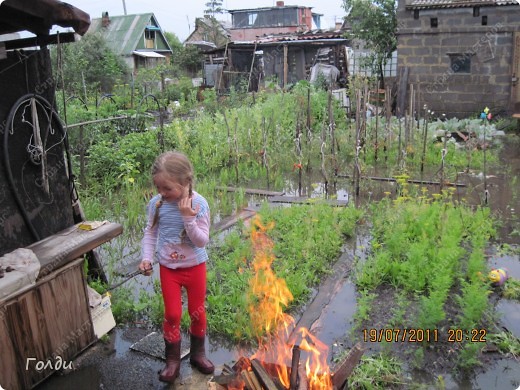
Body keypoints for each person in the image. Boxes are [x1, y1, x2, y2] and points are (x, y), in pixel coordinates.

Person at [139, 151, 214, 383]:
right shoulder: (157, 204)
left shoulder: (199, 204)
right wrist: (146, 257)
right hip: (169, 269)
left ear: (186, 182)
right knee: (172, 314)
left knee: (196, 312)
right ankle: (172, 361)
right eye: (158, 187)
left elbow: (201, 240)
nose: (161, 193)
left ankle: (198, 354)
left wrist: (187, 218)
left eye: (167, 188)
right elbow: (150, 233)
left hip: (195, 267)